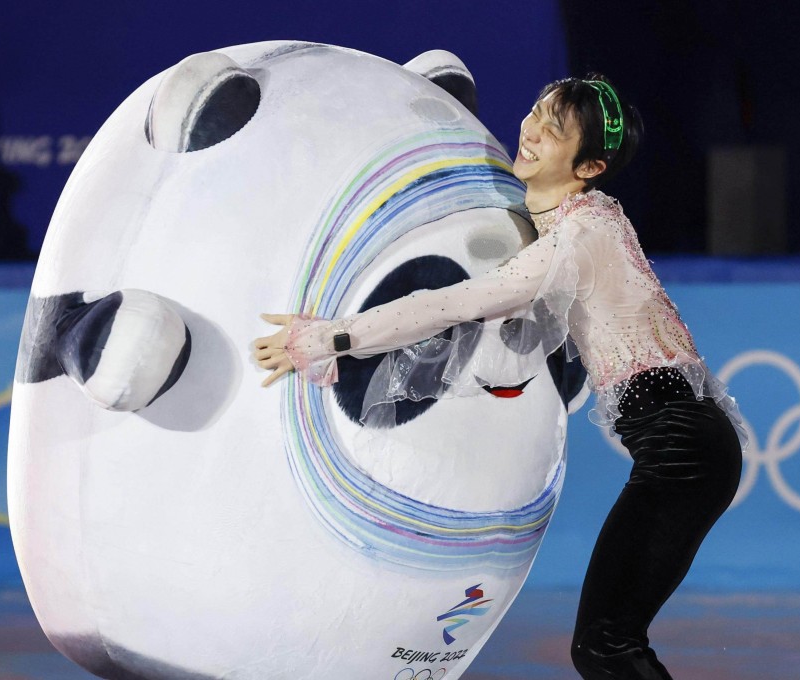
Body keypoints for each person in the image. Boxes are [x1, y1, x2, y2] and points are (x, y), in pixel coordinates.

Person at [254, 75, 744, 680]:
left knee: (605, 647)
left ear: (589, 165)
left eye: (554, 129)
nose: (531, 129)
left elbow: (456, 302)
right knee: (609, 644)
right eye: (537, 111)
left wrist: (334, 335)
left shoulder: (579, 234)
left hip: (684, 453)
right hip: (688, 445)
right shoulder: (585, 217)